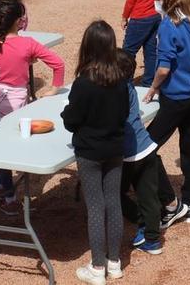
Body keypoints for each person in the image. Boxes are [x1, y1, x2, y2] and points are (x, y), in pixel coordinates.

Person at [142, 0, 190, 228]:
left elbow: (163, 67)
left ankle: (171, 203)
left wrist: (153, 87)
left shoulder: (168, 25)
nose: (156, 0)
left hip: (175, 95)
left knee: (145, 148)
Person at [62, 20, 129, 284]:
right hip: (114, 149)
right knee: (113, 203)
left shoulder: (84, 83)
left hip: (89, 151)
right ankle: (114, 263)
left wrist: (66, 113)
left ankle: (97, 267)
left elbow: (72, 119)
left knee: (95, 207)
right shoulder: (121, 81)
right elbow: (123, 114)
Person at [0, 2, 66, 215]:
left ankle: (1, 184)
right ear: (16, 21)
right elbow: (58, 64)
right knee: (12, 148)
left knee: (2, 142)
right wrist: (53, 88)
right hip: (16, 99)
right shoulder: (28, 43)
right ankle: (9, 196)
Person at [115, 50, 163, 256]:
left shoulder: (117, 93)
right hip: (147, 149)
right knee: (148, 196)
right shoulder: (129, 88)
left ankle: (141, 220)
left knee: (115, 192)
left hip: (129, 155)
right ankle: (151, 237)